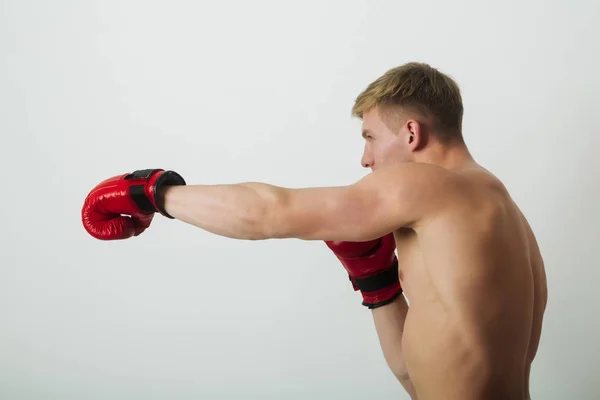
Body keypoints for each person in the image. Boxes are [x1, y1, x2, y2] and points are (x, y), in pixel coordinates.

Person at [81, 62, 548, 400]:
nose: (365, 160)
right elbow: (416, 375)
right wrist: (377, 284)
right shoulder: (502, 211)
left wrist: (152, 193)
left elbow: (269, 213)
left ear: (411, 133)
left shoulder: (432, 185)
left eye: (369, 137)